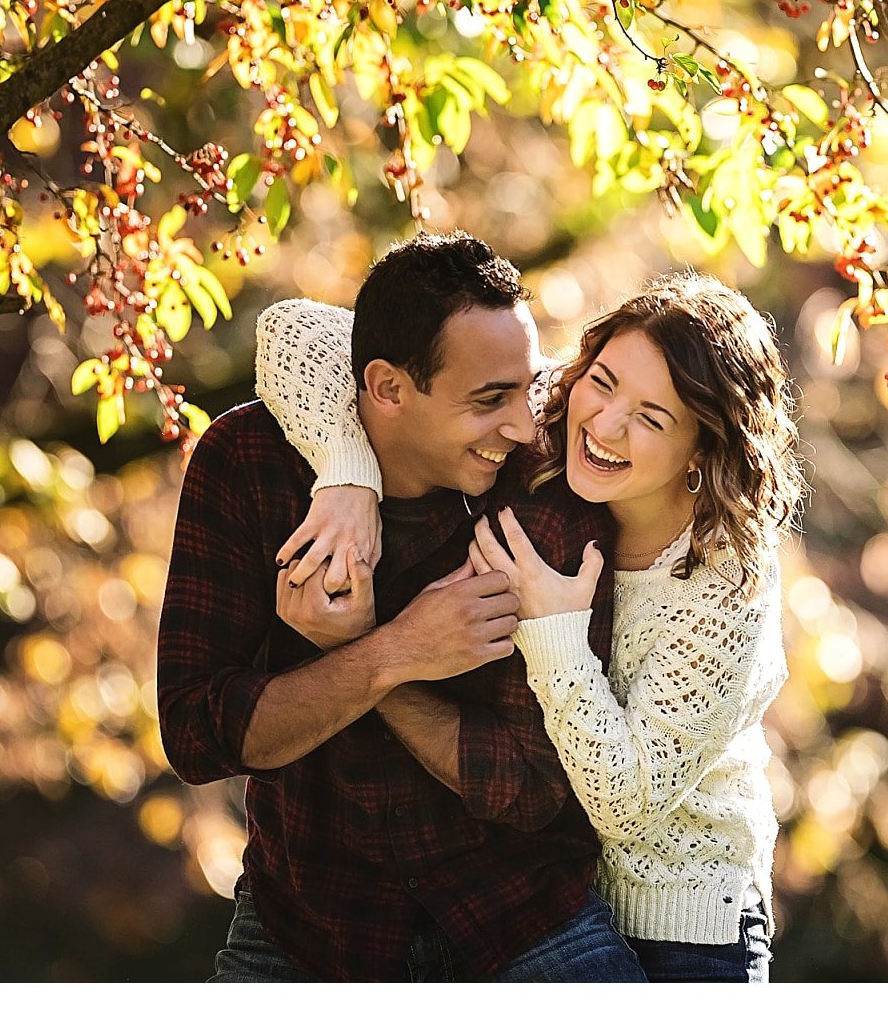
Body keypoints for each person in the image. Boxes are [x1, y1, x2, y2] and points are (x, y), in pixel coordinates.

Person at [256, 270, 798, 981]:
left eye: (653, 417)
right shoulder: (545, 410)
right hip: (553, 906)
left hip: (686, 935)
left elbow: (624, 807)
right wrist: (347, 478)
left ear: (702, 447)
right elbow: (290, 332)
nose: (605, 424)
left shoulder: (729, 588)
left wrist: (554, 628)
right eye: (603, 383)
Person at [155, 231, 645, 981]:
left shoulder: (543, 488)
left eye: (527, 387)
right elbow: (197, 736)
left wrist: (369, 655)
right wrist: (394, 652)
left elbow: (532, 788)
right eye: (489, 401)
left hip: (519, 916)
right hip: (309, 926)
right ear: (385, 388)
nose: (523, 425)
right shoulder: (246, 463)